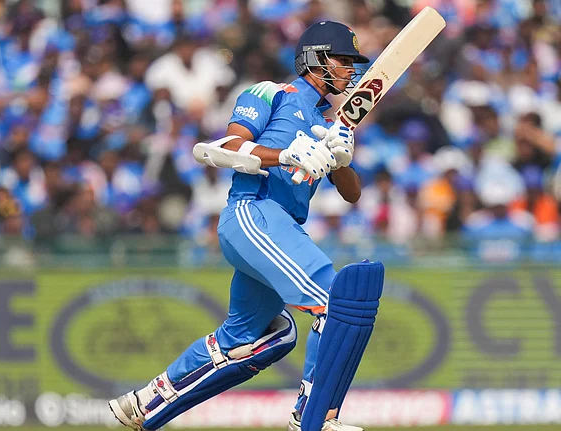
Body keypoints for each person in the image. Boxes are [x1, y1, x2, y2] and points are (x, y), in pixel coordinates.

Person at [108, 21, 384, 431]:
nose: (350, 70)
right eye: (342, 60)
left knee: (257, 337)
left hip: (282, 227)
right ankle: (313, 417)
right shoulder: (271, 92)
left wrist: (341, 161)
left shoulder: (328, 122)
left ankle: (143, 402)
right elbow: (225, 147)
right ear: (315, 59)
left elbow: (353, 194)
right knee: (335, 301)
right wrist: (284, 155)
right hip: (253, 212)